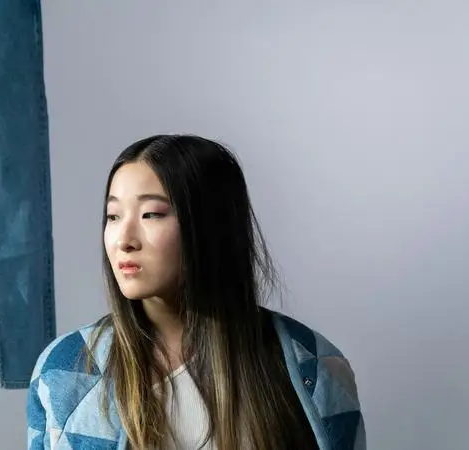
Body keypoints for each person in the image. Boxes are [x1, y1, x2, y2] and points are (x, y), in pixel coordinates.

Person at [26, 135, 365, 450]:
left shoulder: (314, 366)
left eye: (151, 214)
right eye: (113, 216)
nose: (123, 239)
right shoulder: (66, 368)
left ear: (210, 226)